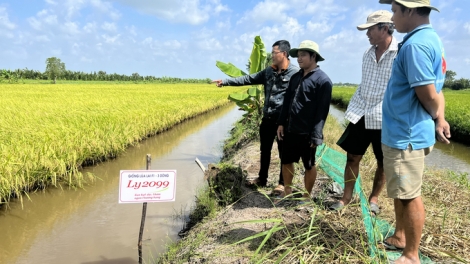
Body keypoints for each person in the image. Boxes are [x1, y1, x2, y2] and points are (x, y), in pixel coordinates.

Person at [379, 0, 451, 263]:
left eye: (395, 11)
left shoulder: (415, 45)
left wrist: (437, 114)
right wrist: (440, 118)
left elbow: (429, 94)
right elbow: (437, 89)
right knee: (401, 189)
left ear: (409, 11)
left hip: (405, 134)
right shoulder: (431, 40)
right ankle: (400, 236)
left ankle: (411, 254)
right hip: (406, 130)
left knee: (409, 195)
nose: (392, 17)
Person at [328, 10, 398, 215]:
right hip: (362, 112)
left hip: (384, 116)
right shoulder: (367, 54)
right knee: (352, 157)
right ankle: (346, 197)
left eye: (370, 29)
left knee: (383, 162)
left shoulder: (400, 53)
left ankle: (374, 199)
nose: (367, 34)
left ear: (384, 28)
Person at [212, 40, 299, 194]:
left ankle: (281, 183)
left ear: (284, 54)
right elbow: (247, 79)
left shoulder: (295, 73)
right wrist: (225, 82)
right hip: (267, 118)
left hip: (284, 122)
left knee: (283, 153)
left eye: (274, 53)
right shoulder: (268, 72)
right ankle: (262, 178)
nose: (271, 56)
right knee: (264, 150)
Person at [276, 40, 332, 202]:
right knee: (286, 160)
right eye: (298, 56)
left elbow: (322, 111)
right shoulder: (295, 77)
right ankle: (288, 191)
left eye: (303, 55)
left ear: (313, 56)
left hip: (306, 132)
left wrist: (316, 135)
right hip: (289, 128)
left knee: (309, 164)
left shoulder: (323, 81)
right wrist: (281, 123)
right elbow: (286, 102)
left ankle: (307, 196)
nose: (299, 59)